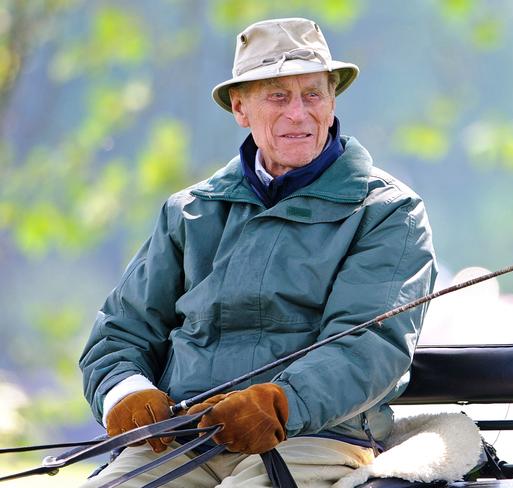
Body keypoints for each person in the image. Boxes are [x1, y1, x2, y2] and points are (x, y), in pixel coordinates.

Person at [79, 17, 436, 487]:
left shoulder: (389, 212)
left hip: (318, 437)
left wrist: (281, 402)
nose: (298, 113)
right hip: (186, 439)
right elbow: (120, 334)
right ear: (240, 108)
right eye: (278, 96)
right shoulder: (189, 211)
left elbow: (369, 345)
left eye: (313, 94)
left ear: (331, 102)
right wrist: (126, 392)